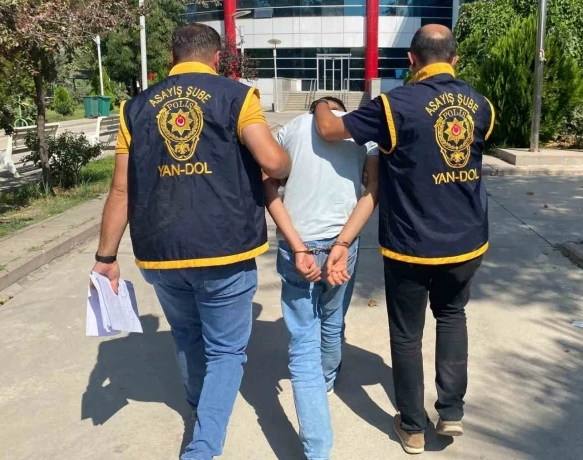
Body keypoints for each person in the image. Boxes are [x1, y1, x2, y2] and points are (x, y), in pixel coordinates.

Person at [91, 23, 290, 460]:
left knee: (186, 334)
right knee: (226, 351)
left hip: (160, 251)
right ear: (217, 58)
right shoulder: (238, 98)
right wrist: (285, 162)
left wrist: (106, 256)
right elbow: (273, 161)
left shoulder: (134, 108)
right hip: (225, 248)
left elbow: (121, 190)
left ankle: (201, 407)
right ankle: (202, 446)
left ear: (171, 57)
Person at [313, 24, 495, 454]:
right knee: (452, 316)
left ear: (411, 60)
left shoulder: (393, 106)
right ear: (455, 60)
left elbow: (330, 130)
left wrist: (322, 104)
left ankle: (412, 427)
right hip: (466, 241)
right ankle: (451, 412)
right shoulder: (480, 105)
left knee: (407, 334)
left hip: (410, 244)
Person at [264, 95, 379, 460]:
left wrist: (297, 245)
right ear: (340, 109)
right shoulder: (363, 135)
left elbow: (268, 185)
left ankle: (317, 448)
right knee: (332, 318)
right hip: (342, 242)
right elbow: (372, 191)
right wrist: (343, 242)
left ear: (316, 107)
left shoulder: (291, 129)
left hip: (296, 242)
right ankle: (326, 381)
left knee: (302, 340)